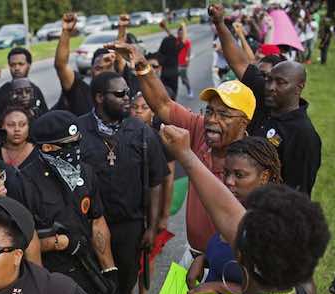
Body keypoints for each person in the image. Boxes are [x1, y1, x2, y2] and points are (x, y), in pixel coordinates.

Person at [160, 124, 330, 294]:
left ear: (242, 252)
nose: (232, 230)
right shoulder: (300, 284)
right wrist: (186, 155)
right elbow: (229, 214)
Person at [107, 41, 256, 262]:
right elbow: (163, 105)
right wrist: (142, 67)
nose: (212, 120)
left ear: (244, 122)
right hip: (192, 257)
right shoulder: (199, 128)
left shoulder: (255, 162)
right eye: (210, 111)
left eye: (224, 115)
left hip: (231, 265)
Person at [76, 72, 170, 294]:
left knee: (123, 288)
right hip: (89, 226)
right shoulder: (78, 130)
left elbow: (157, 180)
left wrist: (153, 227)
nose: (127, 97)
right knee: (90, 287)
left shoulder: (140, 131)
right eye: (119, 94)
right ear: (100, 97)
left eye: (127, 92)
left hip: (130, 226)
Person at [19, 110, 116, 294]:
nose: (75, 150)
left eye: (77, 142)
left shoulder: (86, 172)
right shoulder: (24, 182)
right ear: (47, 148)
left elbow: (97, 220)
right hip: (52, 277)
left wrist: (109, 268)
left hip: (87, 269)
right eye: (67, 145)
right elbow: (19, 241)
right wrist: (59, 243)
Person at [210, 3, 322, 196]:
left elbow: (297, 193)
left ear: (299, 87)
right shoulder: (264, 95)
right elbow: (239, 62)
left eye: (280, 83)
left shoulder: (303, 135)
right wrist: (220, 23)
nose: (271, 87)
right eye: (269, 80)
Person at [186, 137, 282, 294]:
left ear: (264, 177)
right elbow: (228, 257)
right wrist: (204, 260)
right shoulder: (236, 208)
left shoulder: (269, 227)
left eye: (239, 175)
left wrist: (219, 287)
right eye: (226, 173)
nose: (229, 181)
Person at [129, 92, 176, 294]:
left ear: (152, 112)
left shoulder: (160, 138)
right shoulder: (123, 134)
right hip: (130, 209)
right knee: (128, 257)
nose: (138, 111)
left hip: (152, 210)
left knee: (148, 257)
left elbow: (168, 178)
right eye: (134, 106)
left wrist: (164, 215)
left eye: (144, 107)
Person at [54, 12, 117, 116]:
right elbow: (61, 65)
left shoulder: (122, 94)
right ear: (91, 69)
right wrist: (66, 31)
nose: (102, 73)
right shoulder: (80, 91)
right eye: (98, 68)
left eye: (108, 67)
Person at [0, 48, 48, 124]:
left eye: (21, 64)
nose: (17, 68)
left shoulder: (36, 90)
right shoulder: (1, 93)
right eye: (12, 65)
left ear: (29, 65)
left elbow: (46, 117)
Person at [158, 20, 183, 98]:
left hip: (164, 74)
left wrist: (165, 28)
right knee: (173, 95)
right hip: (174, 74)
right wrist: (166, 28)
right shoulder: (177, 48)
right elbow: (176, 39)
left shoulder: (162, 54)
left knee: (164, 95)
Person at [176, 22, 193, 98]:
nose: (180, 35)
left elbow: (189, 52)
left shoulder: (187, 41)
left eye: (181, 33)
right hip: (175, 63)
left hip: (183, 63)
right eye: (179, 33)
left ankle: (189, 90)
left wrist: (187, 61)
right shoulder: (175, 40)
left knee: (184, 80)